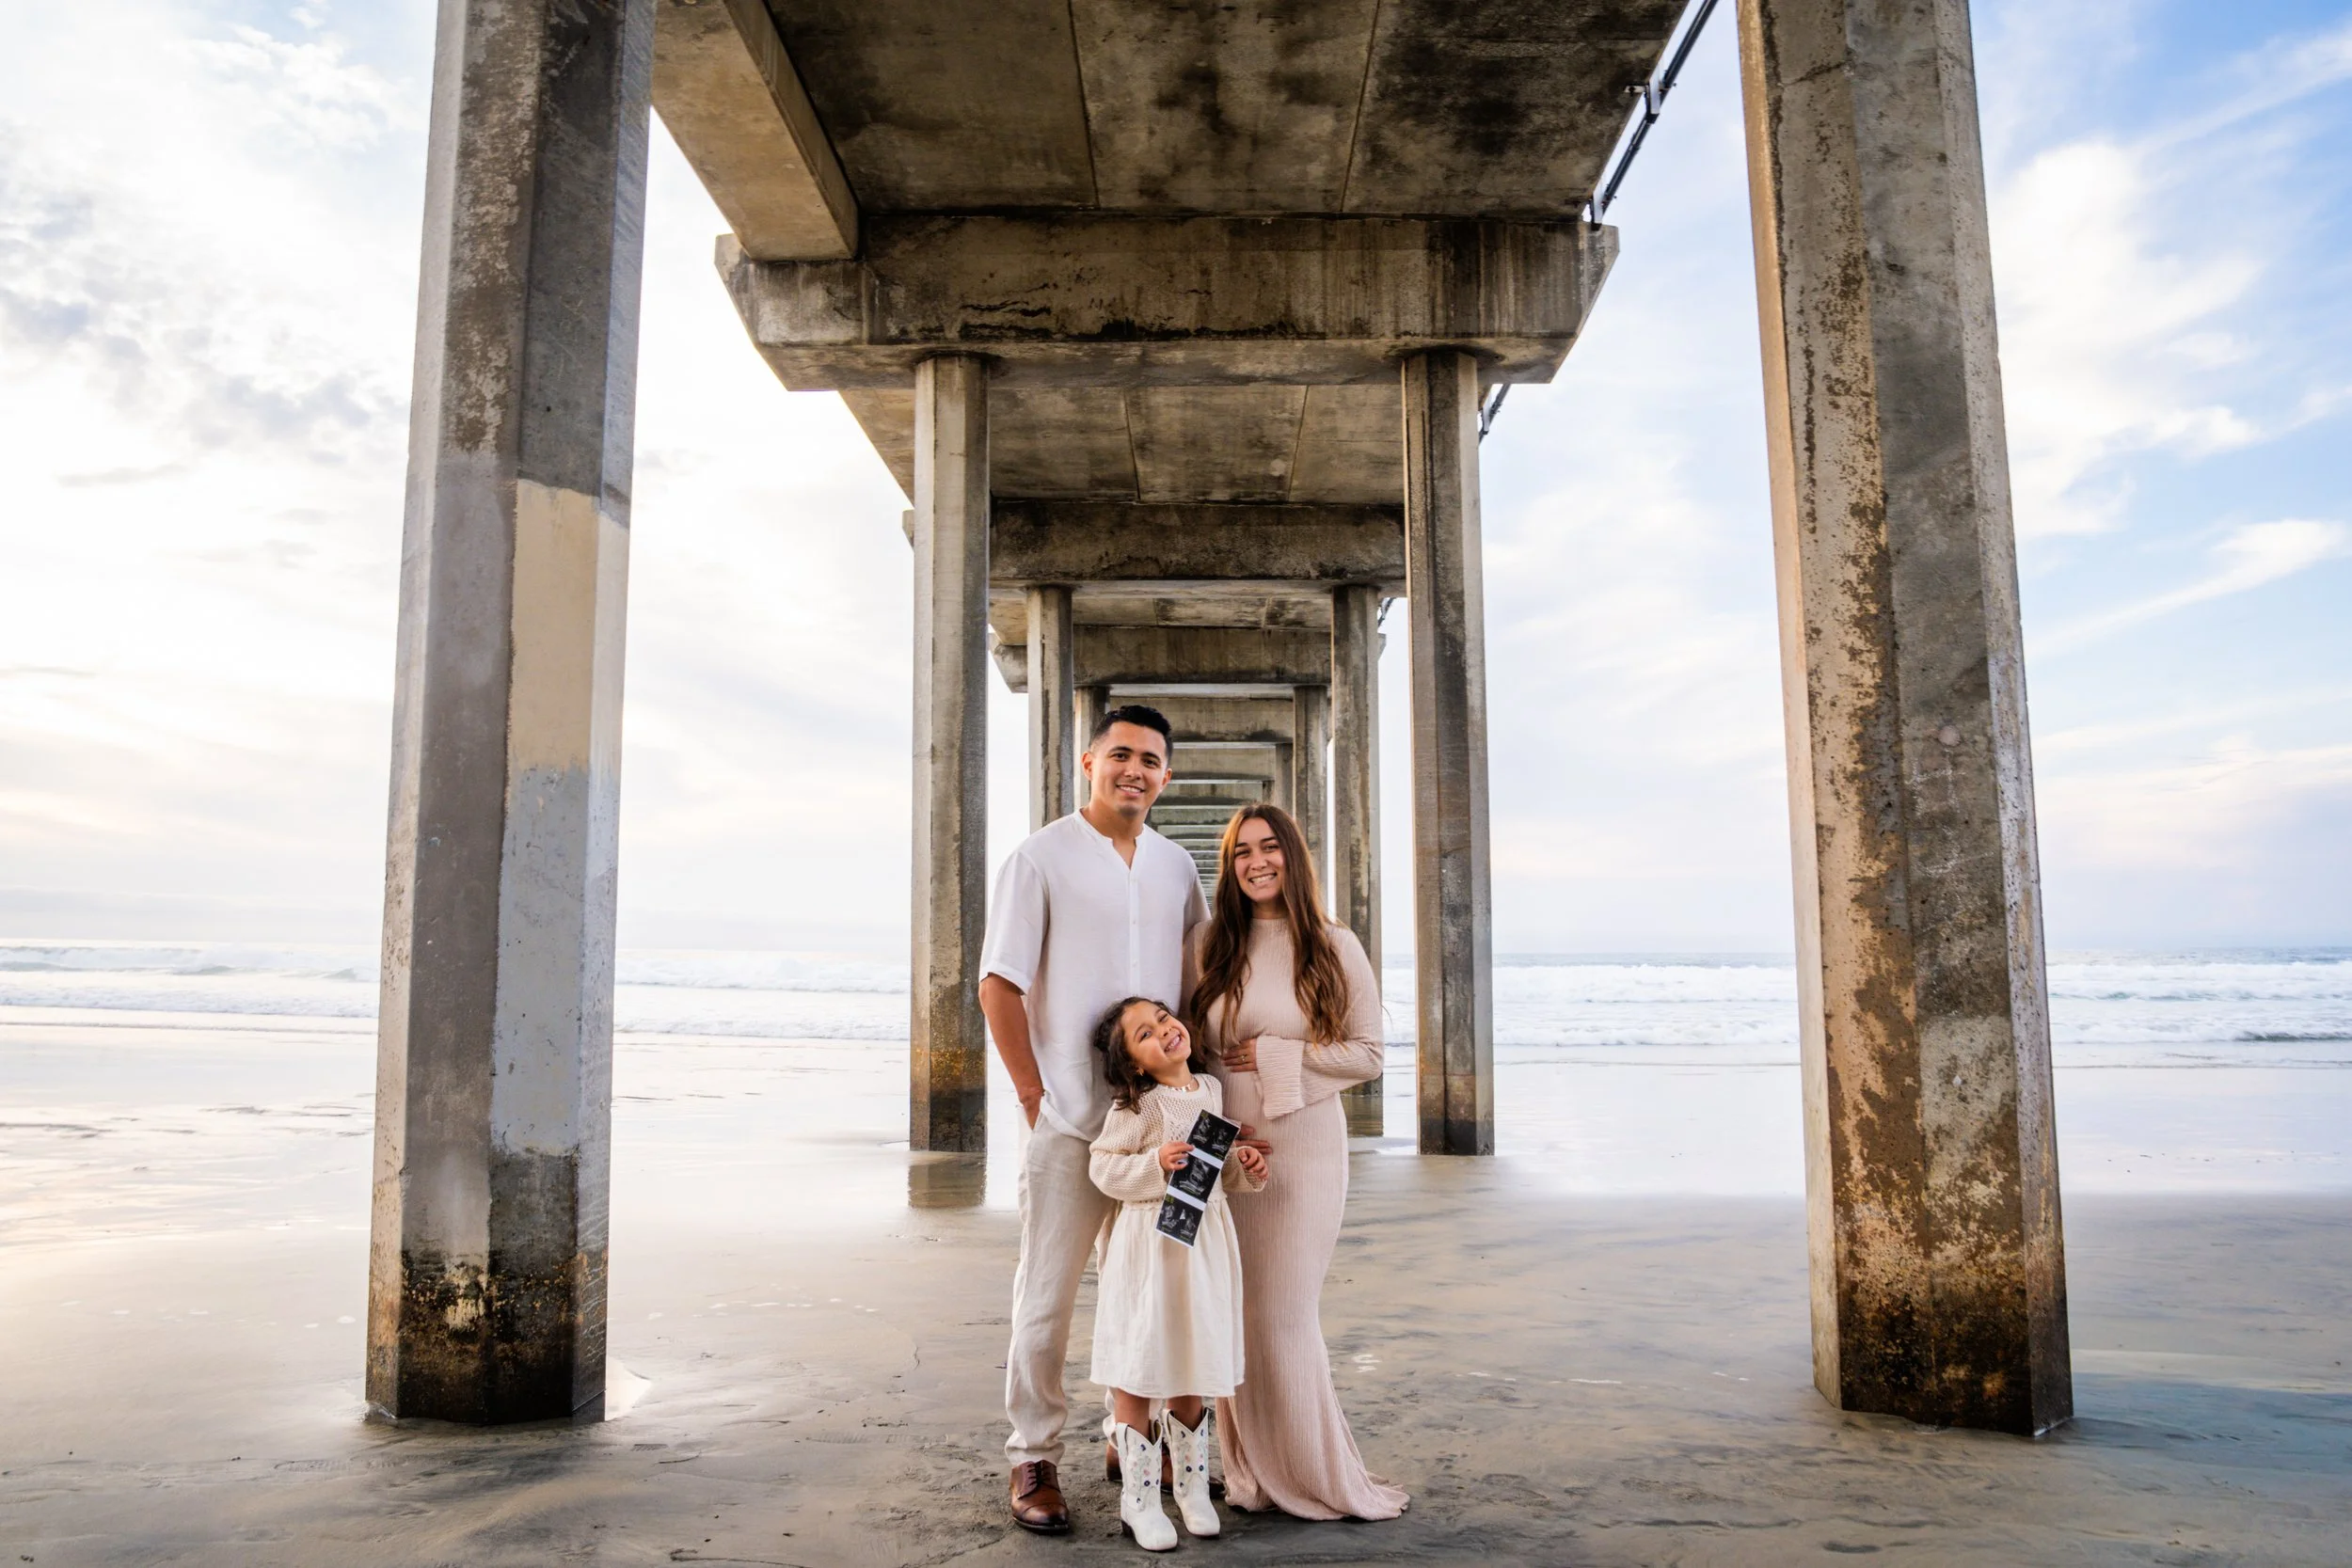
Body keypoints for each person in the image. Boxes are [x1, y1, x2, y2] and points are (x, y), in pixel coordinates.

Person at [978, 705, 1209, 1535]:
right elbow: (997, 983)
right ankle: (1032, 1454)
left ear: (1166, 777)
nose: (1134, 770)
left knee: (1151, 1290)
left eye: (1151, 759)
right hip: (1073, 1124)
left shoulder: (1179, 867)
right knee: (1045, 1297)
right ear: (1088, 761)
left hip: (1161, 1131)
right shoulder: (1041, 858)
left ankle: (1131, 1430)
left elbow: (1196, 980)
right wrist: (1034, 1095)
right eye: (1121, 755)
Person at [1184, 802, 1408, 1521]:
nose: (1256, 861)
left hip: (1303, 1146)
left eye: (1269, 846)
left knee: (1281, 1314)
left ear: (1293, 855)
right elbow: (1191, 1046)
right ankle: (1248, 1473)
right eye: (1241, 851)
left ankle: (1310, 1474)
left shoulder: (1335, 944)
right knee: (1227, 1311)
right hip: (1222, 1144)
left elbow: (1369, 1053)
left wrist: (1283, 1058)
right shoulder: (1209, 941)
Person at [1086, 996, 1269, 1550]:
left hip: (1204, 1242)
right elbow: (1102, 1165)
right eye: (1145, 1033)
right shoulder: (1135, 1107)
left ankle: (1190, 1487)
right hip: (1150, 1248)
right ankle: (1138, 1500)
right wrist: (1152, 1164)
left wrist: (1244, 1168)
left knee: (1191, 1359)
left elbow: (1215, 1176)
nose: (1164, 1030)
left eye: (1163, 1018)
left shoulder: (1211, 1091)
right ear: (1135, 1064)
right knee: (1141, 1364)